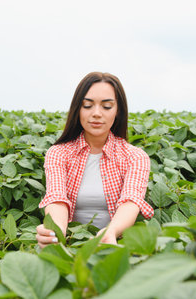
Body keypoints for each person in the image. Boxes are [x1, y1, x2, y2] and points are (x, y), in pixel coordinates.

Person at [36, 72, 154, 248]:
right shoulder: (58, 153)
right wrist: (56, 233)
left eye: (106, 106)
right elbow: (56, 198)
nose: (97, 113)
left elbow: (131, 201)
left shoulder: (135, 157)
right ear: (78, 109)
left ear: (118, 111)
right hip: (71, 244)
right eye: (87, 105)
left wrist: (110, 233)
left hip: (116, 244)